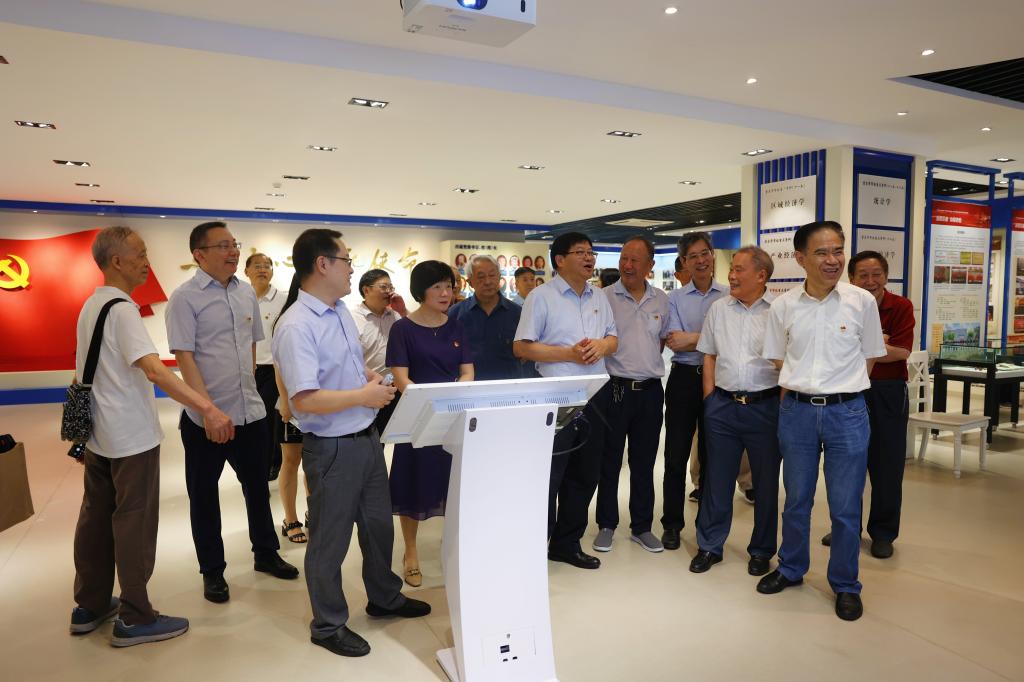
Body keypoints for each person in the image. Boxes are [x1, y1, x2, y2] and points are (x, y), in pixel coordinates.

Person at [71, 226, 232, 647]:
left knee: (95, 517)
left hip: (100, 435)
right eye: (140, 254)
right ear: (116, 261)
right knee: (134, 523)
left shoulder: (92, 305)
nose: (147, 262)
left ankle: (90, 604)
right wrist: (208, 408)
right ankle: (136, 616)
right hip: (130, 437)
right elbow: (156, 370)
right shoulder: (123, 310)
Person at [272, 228, 430, 658]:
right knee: (330, 539)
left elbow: (352, 364)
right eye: (346, 260)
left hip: (366, 437)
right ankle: (327, 624)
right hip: (332, 448)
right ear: (322, 264)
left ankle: (384, 597)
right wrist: (363, 396)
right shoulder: (296, 325)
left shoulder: (339, 311)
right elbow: (304, 400)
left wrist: (370, 379)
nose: (351, 268)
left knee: (378, 527)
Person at [758, 220, 885, 622]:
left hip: (848, 413)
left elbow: (870, 355)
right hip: (796, 412)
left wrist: (841, 389)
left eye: (837, 251)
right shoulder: (783, 306)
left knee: (845, 506)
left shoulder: (861, 302)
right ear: (800, 258)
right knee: (797, 499)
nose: (833, 260)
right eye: (822, 252)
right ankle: (791, 568)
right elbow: (778, 359)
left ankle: (845, 584)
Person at [166, 221, 298, 605]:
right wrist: (208, 411)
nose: (233, 251)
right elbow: (184, 358)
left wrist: (251, 394)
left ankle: (266, 553)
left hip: (250, 413)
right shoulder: (184, 298)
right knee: (204, 496)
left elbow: (251, 348)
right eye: (222, 245)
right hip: (204, 418)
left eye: (234, 244)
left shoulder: (244, 293)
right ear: (199, 254)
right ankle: (212, 571)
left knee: (257, 488)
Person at [514, 232, 618, 570]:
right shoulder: (541, 297)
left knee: (586, 473)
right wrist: (568, 354)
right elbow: (522, 347)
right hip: (555, 395)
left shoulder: (599, 296)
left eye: (591, 252)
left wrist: (603, 346)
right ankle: (534, 546)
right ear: (560, 260)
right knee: (550, 473)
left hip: (595, 394)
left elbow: (613, 338)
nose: (589, 258)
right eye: (581, 252)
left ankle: (566, 544)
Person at [690, 246, 781, 577]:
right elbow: (709, 355)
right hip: (723, 407)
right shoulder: (719, 309)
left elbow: (789, 362)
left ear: (761, 275)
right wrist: (710, 400)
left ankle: (762, 550)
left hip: (765, 407)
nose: (731, 275)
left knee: (766, 483)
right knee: (717, 479)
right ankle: (709, 545)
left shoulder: (779, 311)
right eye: (731, 269)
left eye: (739, 269)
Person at [821, 251, 914, 559]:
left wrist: (858, 344)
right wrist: (877, 343)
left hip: (887, 392)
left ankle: (883, 533)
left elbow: (900, 352)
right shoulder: (840, 305)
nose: (870, 281)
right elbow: (833, 348)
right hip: (847, 390)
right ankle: (845, 528)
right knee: (846, 466)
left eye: (877, 274)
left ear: (886, 276)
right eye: (863, 275)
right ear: (852, 278)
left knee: (887, 466)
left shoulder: (900, 306)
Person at [386, 260, 474, 586]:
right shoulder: (402, 329)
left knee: (453, 484)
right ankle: (410, 551)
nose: (445, 293)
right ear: (421, 290)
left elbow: (467, 371)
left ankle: (453, 548)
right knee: (413, 484)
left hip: (453, 417)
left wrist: (453, 400)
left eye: (448, 286)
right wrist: (430, 405)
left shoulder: (456, 326)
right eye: (437, 286)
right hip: (417, 418)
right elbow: (401, 378)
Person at [592, 237, 669, 555]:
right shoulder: (604, 297)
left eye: (635, 260)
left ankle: (642, 527)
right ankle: (606, 525)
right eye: (624, 258)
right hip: (614, 389)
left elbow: (660, 342)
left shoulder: (661, 300)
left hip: (650, 391)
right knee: (609, 461)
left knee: (644, 462)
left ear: (650, 264)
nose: (627, 265)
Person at [660, 232, 728, 550]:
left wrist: (693, 338)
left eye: (705, 253)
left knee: (713, 456)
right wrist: (710, 338)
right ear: (684, 262)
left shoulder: (728, 295)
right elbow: (675, 340)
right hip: (684, 379)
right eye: (693, 256)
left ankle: (707, 527)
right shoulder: (674, 298)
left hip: (719, 380)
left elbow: (729, 340)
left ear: (712, 255)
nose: (701, 261)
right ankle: (672, 524)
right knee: (675, 455)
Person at [244, 253, 285, 482]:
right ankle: (256, 459)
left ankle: (271, 462)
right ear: (246, 271)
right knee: (250, 417)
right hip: (247, 368)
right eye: (257, 266)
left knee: (269, 418)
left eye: (267, 266)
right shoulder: (241, 298)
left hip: (273, 368)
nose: (262, 270)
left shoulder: (283, 300)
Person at [449, 255, 523, 380]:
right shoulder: (456, 313)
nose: (488, 281)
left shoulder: (517, 312)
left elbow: (524, 354)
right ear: (470, 282)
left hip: (509, 386)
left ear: (499, 277)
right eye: (481, 277)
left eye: (492, 275)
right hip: (470, 386)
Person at [352, 269, 403, 435]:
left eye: (390, 287)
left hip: (395, 389)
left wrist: (402, 311)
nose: (389, 292)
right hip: (367, 390)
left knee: (395, 438)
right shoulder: (352, 318)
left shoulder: (395, 315)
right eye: (383, 287)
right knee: (370, 439)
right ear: (366, 290)